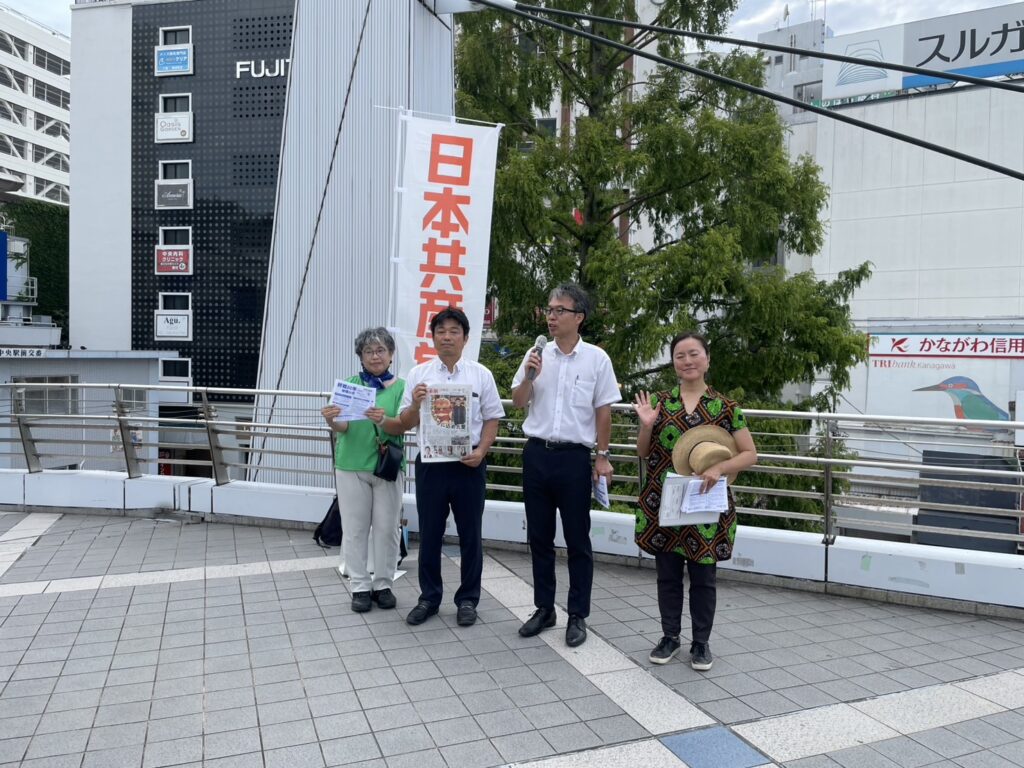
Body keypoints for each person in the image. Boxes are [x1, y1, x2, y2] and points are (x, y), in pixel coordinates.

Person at [633, 331, 757, 670]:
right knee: (667, 574)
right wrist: (647, 425)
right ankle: (669, 636)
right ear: (673, 362)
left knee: (704, 576)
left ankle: (701, 643)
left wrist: (719, 467)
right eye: (680, 356)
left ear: (707, 359)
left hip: (705, 504)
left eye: (694, 354)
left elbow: (749, 454)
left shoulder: (726, 407)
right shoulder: (659, 402)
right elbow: (643, 452)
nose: (687, 361)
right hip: (666, 500)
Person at [511, 283, 621, 647]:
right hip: (536, 454)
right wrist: (530, 375)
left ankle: (577, 614)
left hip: (574, 458)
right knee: (539, 537)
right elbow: (518, 401)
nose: (552, 316)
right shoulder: (536, 354)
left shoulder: (597, 359)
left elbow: (603, 411)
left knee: (577, 539)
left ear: (579, 317)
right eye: (549, 309)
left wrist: (602, 456)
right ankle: (544, 608)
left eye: (560, 310)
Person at [393, 306, 505, 627]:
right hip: (431, 464)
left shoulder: (481, 375)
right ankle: (429, 598)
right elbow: (404, 422)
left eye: (454, 331)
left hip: (469, 464)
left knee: (471, 535)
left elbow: (492, 418)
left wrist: (482, 451)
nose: (447, 337)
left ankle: (468, 599)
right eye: (441, 331)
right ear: (432, 337)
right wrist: (416, 403)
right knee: (430, 534)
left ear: (465, 338)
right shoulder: (418, 375)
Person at [320, 327, 407, 614]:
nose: (375, 356)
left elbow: (403, 425)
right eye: (368, 351)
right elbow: (343, 426)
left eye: (381, 350)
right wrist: (331, 420)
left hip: (387, 467)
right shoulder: (349, 385)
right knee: (354, 529)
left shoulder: (401, 388)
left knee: (387, 529)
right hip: (350, 464)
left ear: (391, 355)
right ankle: (359, 586)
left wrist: (383, 420)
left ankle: (383, 584)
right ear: (360, 356)